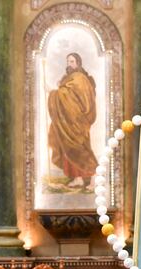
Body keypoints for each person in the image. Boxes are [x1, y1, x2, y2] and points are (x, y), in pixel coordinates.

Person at [47, 52, 98, 190]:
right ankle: (78, 179)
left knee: (81, 149)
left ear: (78, 63)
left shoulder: (79, 78)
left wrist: (54, 93)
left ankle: (94, 179)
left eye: (72, 61)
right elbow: (67, 96)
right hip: (68, 121)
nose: (69, 64)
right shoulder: (70, 78)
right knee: (68, 149)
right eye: (68, 61)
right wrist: (60, 90)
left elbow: (80, 100)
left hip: (77, 122)